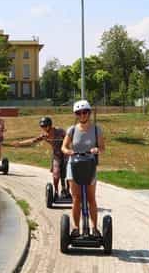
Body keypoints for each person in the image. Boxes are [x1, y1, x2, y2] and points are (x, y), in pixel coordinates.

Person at [61, 100, 105, 237]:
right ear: (76, 115)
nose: (82, 115)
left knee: (91, 198)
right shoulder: (72, 130)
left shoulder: (96, 129)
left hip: (90, 165)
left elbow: (102, 148)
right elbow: (64, 147)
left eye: (85, 112)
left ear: (89, 113)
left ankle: (94, 228)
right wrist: (69, 151)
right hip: (74, 165)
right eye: (79, 113)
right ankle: (75, 228)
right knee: (76, 198)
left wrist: (97, 149)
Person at [13, 116, 68, 197]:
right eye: (42, 126)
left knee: (68, 174)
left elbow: (69, 137)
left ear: (50, 125)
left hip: (66, 154)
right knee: (56, 174)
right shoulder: (44, 136)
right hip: (57, 155)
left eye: (45, 126)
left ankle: (66, 190)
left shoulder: (59, 131)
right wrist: (20, 143)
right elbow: (33, 141)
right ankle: (56, 191)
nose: (43, 128)